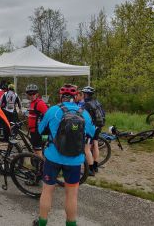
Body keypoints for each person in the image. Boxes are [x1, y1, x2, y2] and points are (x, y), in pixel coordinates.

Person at [35, 84, 95, 226]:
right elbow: (91, 133)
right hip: (75, 160)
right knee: (72, 195)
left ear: (61, 96)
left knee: (47, 191)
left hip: (53, 157)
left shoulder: (54, 110)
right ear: (75, 97)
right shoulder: (84, 113)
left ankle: (42, 222)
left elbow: (40, 129)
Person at [81, 86, 105, 176]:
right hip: (98, 126)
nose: (82, 95)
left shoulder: (86, 105)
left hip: (91, 128)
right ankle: (95, 165)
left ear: (86, 94)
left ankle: (90, 170)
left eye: (83, 93)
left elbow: (83, 118)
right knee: (95, 144)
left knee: (86, 148)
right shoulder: (97, 102)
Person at [25, 84, 48, 157]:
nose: (32, 96)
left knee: (38, 151)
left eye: (33, 93)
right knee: (35, 149)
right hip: (33, 131)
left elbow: (48, 116)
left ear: (37, 94)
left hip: (39, 132)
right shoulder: (31, 103)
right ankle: (38, 165)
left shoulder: (40, 103)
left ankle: (41, 167)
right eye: (29, 94)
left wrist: (45, 132)